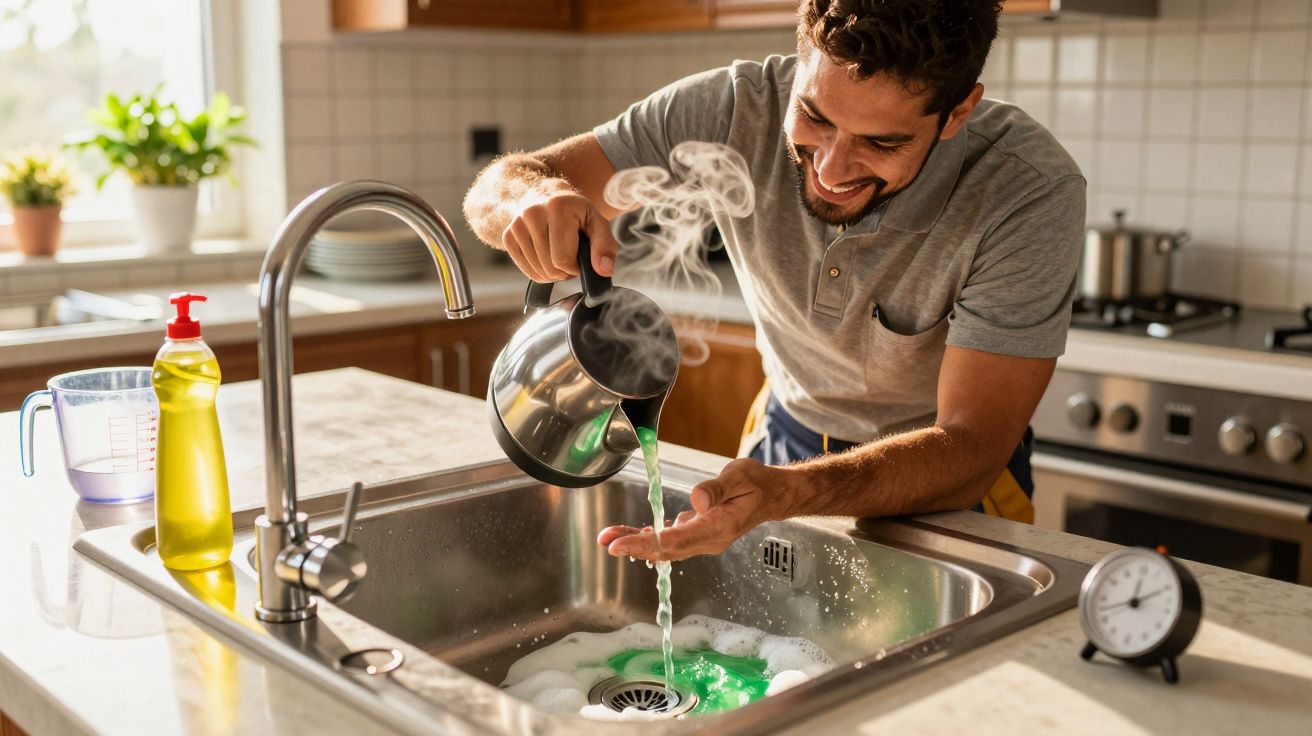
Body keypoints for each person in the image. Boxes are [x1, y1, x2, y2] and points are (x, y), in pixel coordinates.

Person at [463, 0, 1085, 561]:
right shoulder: (736, 106)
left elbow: (971, 447)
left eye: (880, 143)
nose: (832, 168)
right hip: (781, 446)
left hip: (943, 483)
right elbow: (503, 184)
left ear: (958, 113)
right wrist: (531, 197)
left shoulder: (1026, 190)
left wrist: (791, 491)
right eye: (814, 117)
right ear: (800, 57)